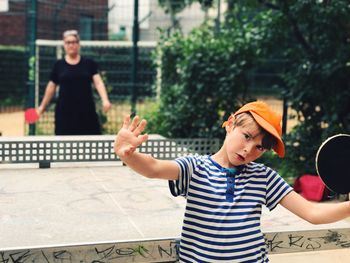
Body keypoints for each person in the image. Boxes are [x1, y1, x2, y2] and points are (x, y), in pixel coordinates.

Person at [113, 101, 350, 262]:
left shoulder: (264, 177)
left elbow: (312, 213)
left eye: (259, 147)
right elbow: (153, 168)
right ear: (229, 124)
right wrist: (128, 154)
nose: (249, 150)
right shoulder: (195, 168)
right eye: (246, 136)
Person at [37, 30, 111, 135]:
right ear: (64, 45)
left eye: (74, 42)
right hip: (64, 113)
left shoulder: (89, 63)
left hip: (87, 112)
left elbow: (98, 82)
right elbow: (51, 87)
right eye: (68, 42)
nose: (71, 45)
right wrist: (42, 107)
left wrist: (105, 100)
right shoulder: (58, 65)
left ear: (78, 44)